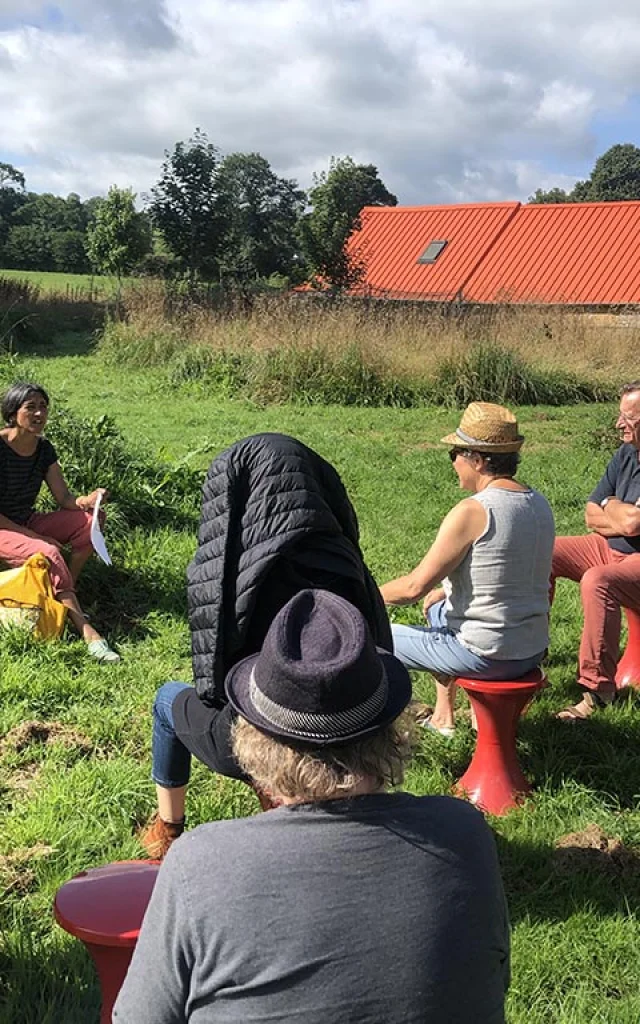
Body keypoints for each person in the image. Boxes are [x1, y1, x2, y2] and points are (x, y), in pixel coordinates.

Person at [114, 589, 510, 1024]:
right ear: (393, 730)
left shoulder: (199, 863)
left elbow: (137, 1017)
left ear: (254, 736)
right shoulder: (465, 833)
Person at [140, 432, 392, 857]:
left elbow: (216, 677)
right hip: (358, 742)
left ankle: (169, 829)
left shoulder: (239, 575)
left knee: (169, 701)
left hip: (266, 741)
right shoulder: (347, 562)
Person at [380, 402, 554, 735]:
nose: (453, 463)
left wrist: (360, 597)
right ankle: (445, 718)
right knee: (437, 608)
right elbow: (502, 570)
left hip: (486, 653)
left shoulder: (473, 512)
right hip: (530, 647)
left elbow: (412, 588)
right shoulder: (538, 503)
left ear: (477, 458)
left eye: (455, 453)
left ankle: (373, 731)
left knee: (368, 634)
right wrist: (444, 591)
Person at [0, 381, 119, 662]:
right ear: (12, 412)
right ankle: (88, 632)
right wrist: (35, 538)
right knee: (49, 551)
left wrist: (87, 501)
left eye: (43, 407)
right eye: (31, 407)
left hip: (26, 520)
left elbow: (64, 497)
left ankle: (64, 599)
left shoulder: (44, 449)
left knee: (93, 521)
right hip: (4, 527)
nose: (39, 414)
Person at [552, 381, 640, 720]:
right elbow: (592, 513)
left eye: (629, 419)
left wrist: (612, 506)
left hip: (633, 561)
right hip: (609, 548)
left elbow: (632, 524)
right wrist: (613, 506)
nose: (619, 425)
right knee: (546, 553)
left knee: (598, 581)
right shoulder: (625, 454)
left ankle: (598, 690)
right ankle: (525, 656)